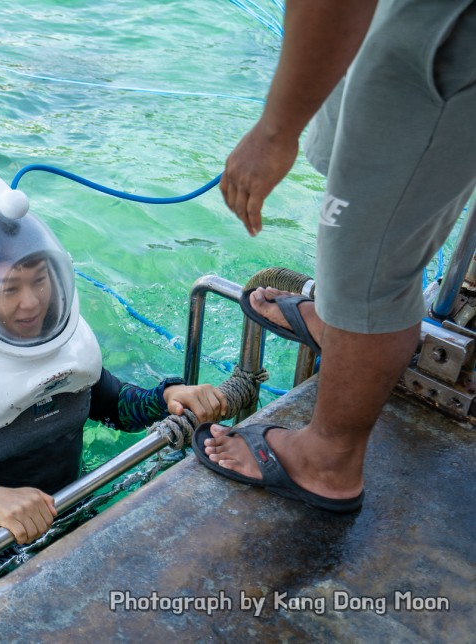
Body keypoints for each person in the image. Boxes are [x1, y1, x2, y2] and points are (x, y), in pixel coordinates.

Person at [194, 0, 476, 512]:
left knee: (373, 268)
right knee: (363, 180)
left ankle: (328, 462)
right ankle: (339, 325)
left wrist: (274, 132)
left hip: (446, 31)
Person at [0, 165, 227, 544]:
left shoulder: (64, 340)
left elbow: (115, 407)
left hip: (75, 508)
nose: (31, 303)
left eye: (40, 280)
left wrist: (168, 398)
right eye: (9, 289)